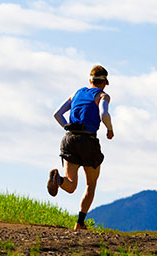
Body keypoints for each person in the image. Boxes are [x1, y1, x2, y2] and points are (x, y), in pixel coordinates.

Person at [47, 65, 114, 230]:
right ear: (105, 82)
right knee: (90, 184)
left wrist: (67, 127)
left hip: (69, 139)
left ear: (90, 80)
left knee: (70, 185)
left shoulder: (75, 94)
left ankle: (58, 179)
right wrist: (110, 129)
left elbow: (57, 114)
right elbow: (104, 114)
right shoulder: (103, 95)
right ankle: (80, 222)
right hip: (88, 140)